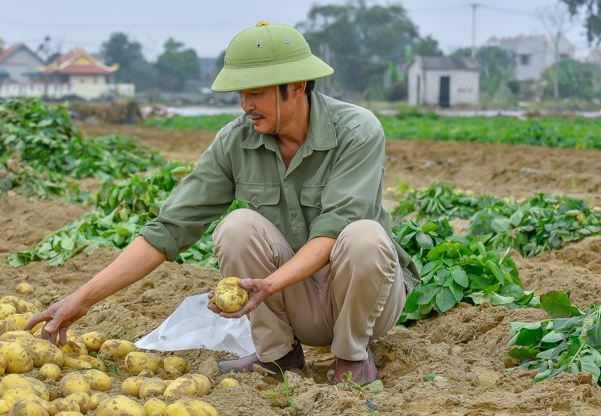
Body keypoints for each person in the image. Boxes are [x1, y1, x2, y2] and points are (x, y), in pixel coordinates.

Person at [26, 22, 420, 385]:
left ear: (297, 86)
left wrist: (267, 285)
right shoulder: (236, 142)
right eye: (241, 94)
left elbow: (335, 231)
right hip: (298, 305)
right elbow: (169, 230)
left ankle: (352, 356)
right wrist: (82, 298)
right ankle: (277, 354)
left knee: (364, 235)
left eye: (256, 93)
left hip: (363, 301)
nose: (245, 104)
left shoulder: (357, 130)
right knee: (237, 227)